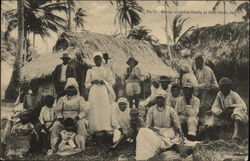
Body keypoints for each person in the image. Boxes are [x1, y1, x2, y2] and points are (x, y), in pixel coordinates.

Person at [136, 90, 183, 160]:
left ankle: (163, 148)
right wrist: (156, 130)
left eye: (161, 98)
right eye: (158, 98)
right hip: (155, 130)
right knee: (142, 131)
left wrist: (180, 133)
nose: (159, 100)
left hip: (168, 130)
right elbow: (148, 125)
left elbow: (177, 123)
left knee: (166, 139)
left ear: (165, 99)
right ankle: (146, 155)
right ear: (156, 99)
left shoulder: (170, 109)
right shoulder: (151, 109)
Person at [51, 78, 89, 152]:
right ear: (66, 89)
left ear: (75, 89)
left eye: (72, 88)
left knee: (81, 124)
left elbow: (84, 110)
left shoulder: (80, 99)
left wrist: (77, 118)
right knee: (56, 125)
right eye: (69, 88)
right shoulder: (62, 99)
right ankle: (55, 147)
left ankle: (80, 146)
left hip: (76, 119)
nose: (70, 90)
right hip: (63, 120)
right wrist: (61, 118)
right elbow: (58, 110)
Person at [85, 52, 116, 133]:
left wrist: (105, 82)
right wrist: (92, 82)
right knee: (94, 107)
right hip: (94, 91)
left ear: (101, 60)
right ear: (94, 60)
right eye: (96, 59)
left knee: (104, 107)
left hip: (103, 90)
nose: (97, 60)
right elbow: (86, 84)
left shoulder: (106, 70)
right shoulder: (90, 70)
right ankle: (95, 127)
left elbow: (112, 81)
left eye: (99, 59)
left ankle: (104, 126)